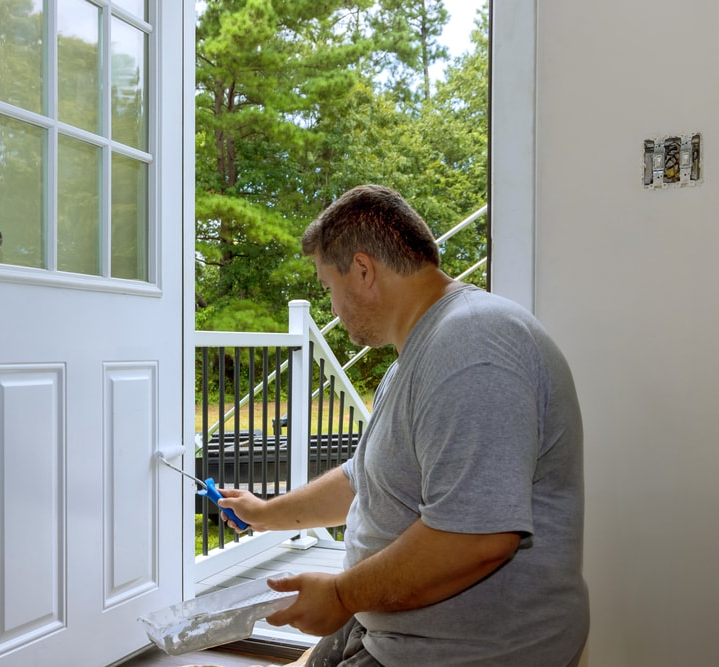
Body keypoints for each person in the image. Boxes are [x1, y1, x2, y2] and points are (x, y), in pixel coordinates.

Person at [217, 185, 589, 666]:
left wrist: (341, 595)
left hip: (468, 653)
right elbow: (365, 480)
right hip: (393, 630)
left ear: (363, 270)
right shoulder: (422, 352)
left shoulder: (473, 346)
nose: (333, 308)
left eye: (329, 288)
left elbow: (476, 538)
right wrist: (266, 513)